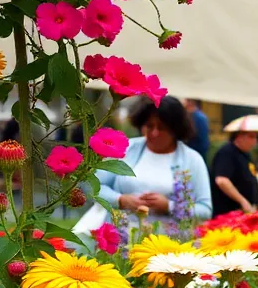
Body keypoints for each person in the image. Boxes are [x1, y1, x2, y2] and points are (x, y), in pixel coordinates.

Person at [83, 97, 212, 232]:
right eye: (149, 126)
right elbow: (94, 187)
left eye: (162, 128)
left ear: (176, 129)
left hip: (169, 246)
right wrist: (120, 200)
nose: (154, 133)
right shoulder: (126, 149)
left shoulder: (192, 159)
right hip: (120, 239)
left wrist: (169, 206)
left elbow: (205, 210)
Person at [211, 130, 258, 216]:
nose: (255, 141)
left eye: (256, 137)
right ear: (239, 136)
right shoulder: (227, 152)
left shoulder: (245, 154)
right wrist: (243, 201)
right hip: (227, 213)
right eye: (251, 136)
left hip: (246, 212)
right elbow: (222, 180)